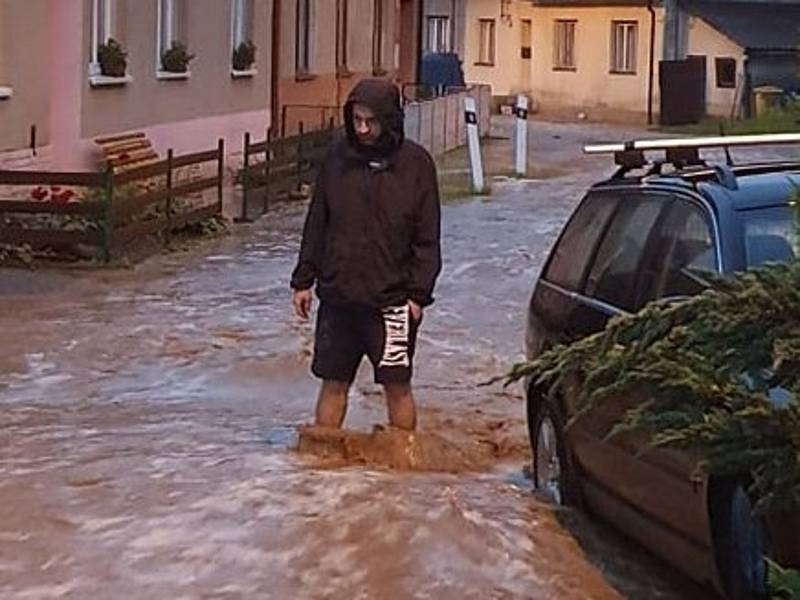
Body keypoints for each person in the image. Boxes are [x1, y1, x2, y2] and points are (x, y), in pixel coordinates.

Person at [290, 78, 441, 432]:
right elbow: (317, 221)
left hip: (393, 302)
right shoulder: (337, 159)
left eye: (370, 121)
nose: (362, 129)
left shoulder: (416, 165)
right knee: (333, 382)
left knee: (397, 386)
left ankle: (403, 467)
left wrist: (418, 297)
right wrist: (303, 280)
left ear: (389, 119)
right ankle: (324, 467)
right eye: (356, 120)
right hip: (339, 297)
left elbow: (428, 239)